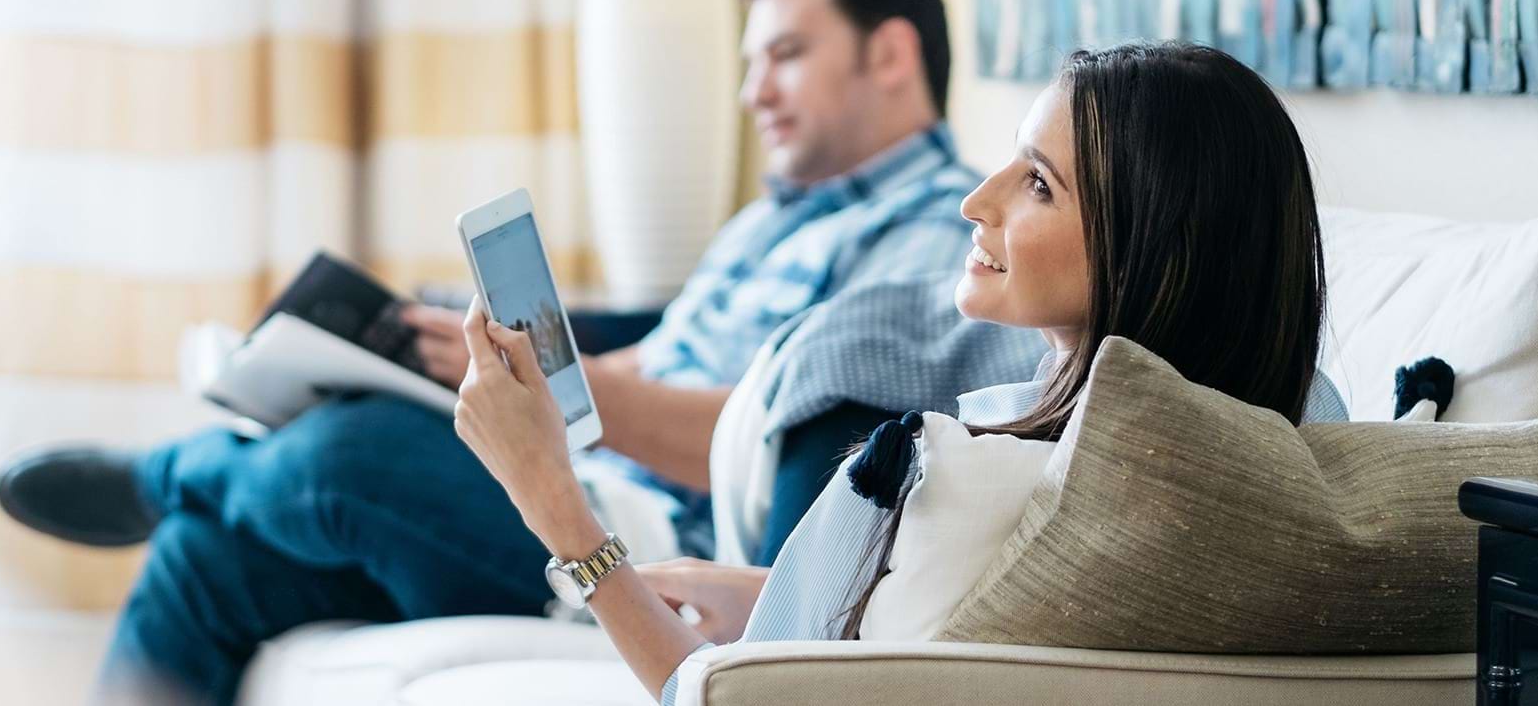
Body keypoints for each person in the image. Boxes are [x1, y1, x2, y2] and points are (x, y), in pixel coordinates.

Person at [0, 0, 981, 705]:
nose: (750, 91)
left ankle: (160, 477)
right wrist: (481, 362)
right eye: (750, 61)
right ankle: (192, 490)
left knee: (351, 456)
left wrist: (568, 394)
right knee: (205, 559)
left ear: (889, 53)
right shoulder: (778, 213)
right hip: (587, 472)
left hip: (642, 545)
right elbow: (665, 360)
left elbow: (774, 438)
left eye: (786, 55)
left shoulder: (931, 238)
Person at [448, 41, 1330, 703]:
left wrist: (556, 508)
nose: (975, 200)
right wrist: (779, 592)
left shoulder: (947, 478)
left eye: (1039, 185)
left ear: (1154, 255)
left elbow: (724, 697)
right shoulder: (1308, 436)